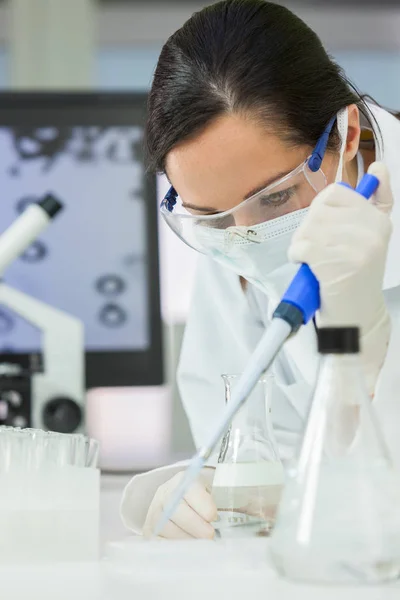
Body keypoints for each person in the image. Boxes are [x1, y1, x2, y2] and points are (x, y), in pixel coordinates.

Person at [121, 0, 400, 540]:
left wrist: (363, 352)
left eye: (273, 200)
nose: (246, 235)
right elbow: (249, 456)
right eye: (213, 217)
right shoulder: (235, 239)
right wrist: (196, 492)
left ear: (344, 138)